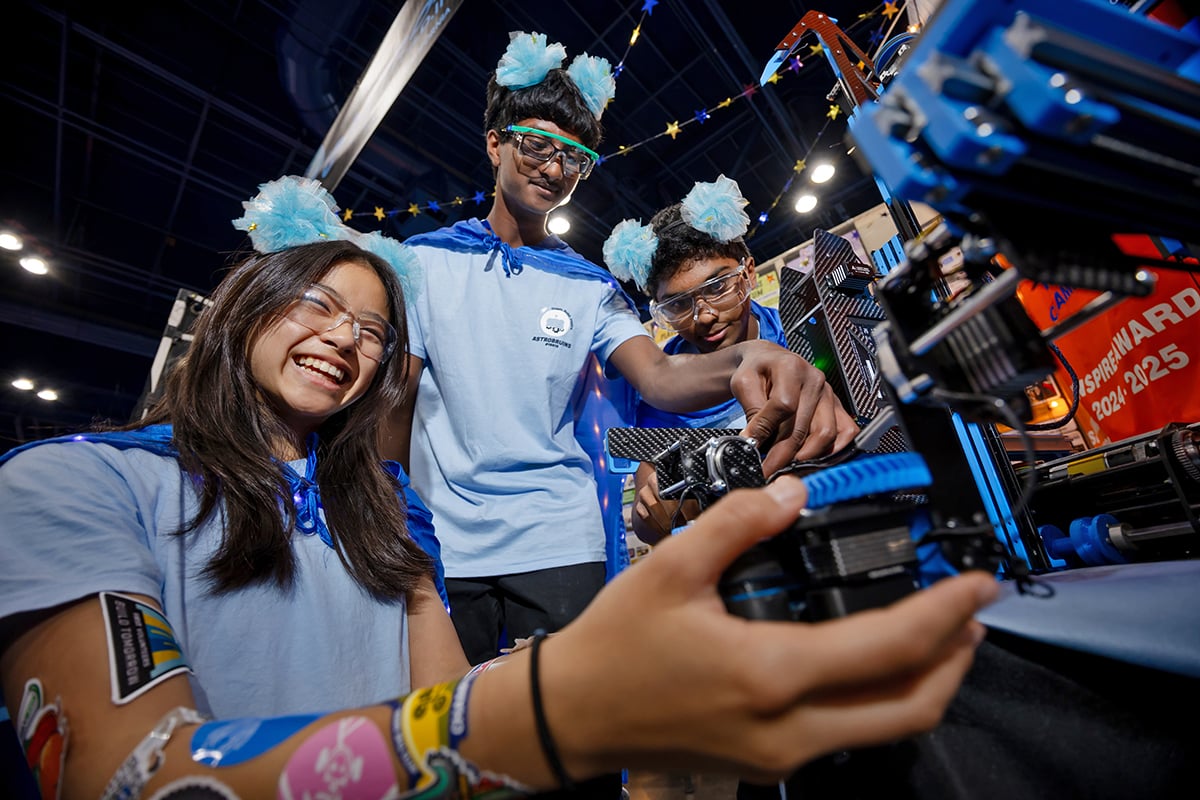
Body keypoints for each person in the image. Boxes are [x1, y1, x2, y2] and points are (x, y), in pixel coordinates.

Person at [381, 31, 859, 672]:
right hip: (446, 542)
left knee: (576, 724)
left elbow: (659, 375)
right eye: (537, 146)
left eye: (574, 158)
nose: (555, 170)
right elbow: (396, 405)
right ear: (495, 143)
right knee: (451, 721)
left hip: (560, 540)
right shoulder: (422, 263)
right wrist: (393, 522)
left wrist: (748, 359)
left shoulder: (590, 286)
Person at [603, 175, 811, 546]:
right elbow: (647, 525)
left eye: (717, 287)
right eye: (678, 304)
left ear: (748, 273)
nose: (704, 316)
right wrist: (659, 505)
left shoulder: (800, 333)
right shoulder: (660, 394)